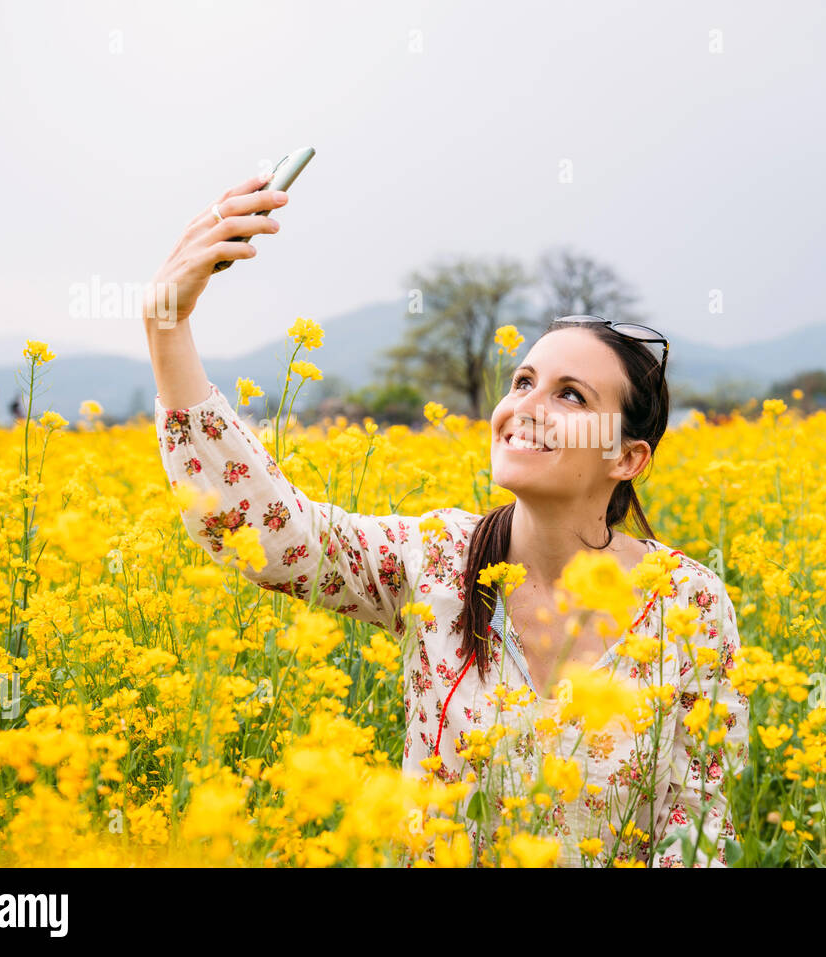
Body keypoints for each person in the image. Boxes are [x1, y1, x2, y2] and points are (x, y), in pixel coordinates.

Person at [143, 173, 750, 867]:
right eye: (523, 382)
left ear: (627, 457)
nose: (526, 404)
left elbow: (700, 828)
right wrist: (167, 325)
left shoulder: (690, 605)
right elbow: (272, 536)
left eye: (571, 395)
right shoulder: (436, 559)